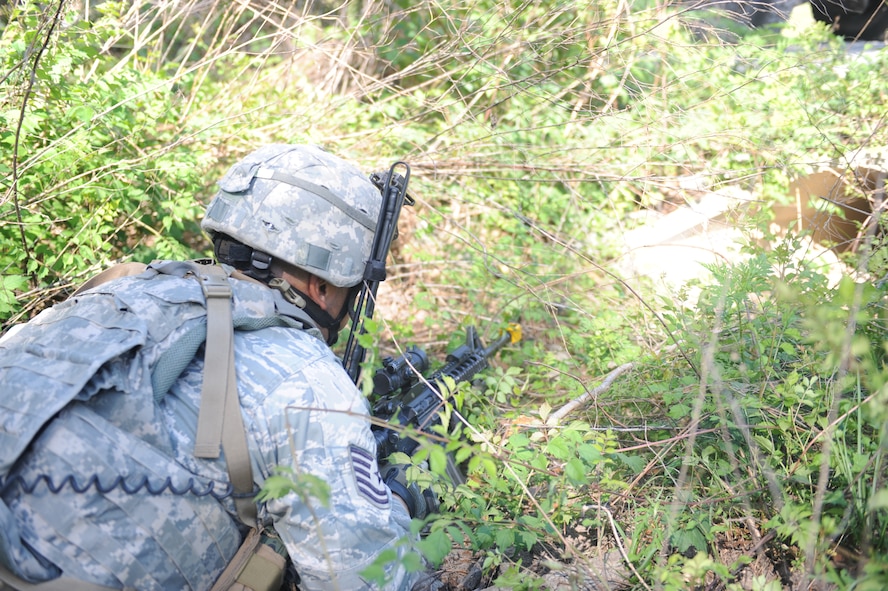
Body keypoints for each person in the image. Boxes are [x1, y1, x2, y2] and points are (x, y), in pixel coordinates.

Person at [0, 144, 431, 590]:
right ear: (323, 286)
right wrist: (396, 500)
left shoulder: (110, 294)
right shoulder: (305, 382)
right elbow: (370, 580)